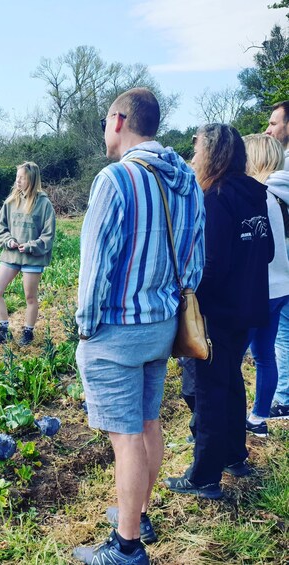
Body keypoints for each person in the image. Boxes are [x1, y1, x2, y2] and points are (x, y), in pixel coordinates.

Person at [73, 88, 205, 565]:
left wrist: (85, 329)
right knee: (149, 422)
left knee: (126, 437)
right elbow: (195, 260)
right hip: (163, 325)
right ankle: (138, 514)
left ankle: (126, 547)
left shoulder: (115, 180)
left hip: (116, 329)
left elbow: (95, 266)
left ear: (119, 120)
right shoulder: (186, 178)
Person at [165, 125, 273, 499]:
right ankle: (234, 454)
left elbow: (211, 264)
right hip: (249, 306)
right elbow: (268, 249)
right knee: (229, 381)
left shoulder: (213, 196)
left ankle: (204, 476)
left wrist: (187, 295)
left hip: (215, 311)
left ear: (210, 153)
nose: (193, 157)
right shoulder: (256, 193)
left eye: (196, 150)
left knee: (205, 391)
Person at [243, 134, 289, 436]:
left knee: (233, 355)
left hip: (259, 288)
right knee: (265, 354)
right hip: (282, 285)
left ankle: (230, 418)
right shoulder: (282, 195)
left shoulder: (261, 195)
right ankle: (259, 417)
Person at [0, 162, 56, 346]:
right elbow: (0, 227)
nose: (17, 181)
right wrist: (8, 240)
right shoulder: (11, 201)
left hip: (33, 257)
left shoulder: (44, 204)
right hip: (11, 255)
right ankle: (3, 330)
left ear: (31, 179)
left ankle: (28, 332)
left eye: (22, 177)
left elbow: (48, 235)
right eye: (17, 177)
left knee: (30, 297)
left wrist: (31, 246)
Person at [265, 101, 289, 420]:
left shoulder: (281, 172)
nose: (268, 129)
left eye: (273, 123)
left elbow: (263, 183)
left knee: (283, 333)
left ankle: (283, 397)